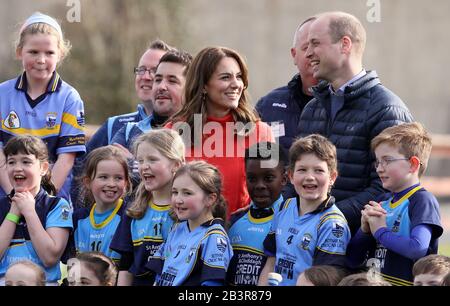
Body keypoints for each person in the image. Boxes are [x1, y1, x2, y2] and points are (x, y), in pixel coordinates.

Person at [298, 11, 414, 234]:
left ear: (344, 44)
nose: (308, 53)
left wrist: (328, 219)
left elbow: (388, 188)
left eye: (315, 44)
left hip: (357, 253)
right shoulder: (312, 108)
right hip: (309, 240)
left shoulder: (386, 109)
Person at [168, 46, 274, 219]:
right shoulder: (175, 131)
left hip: (243, 236)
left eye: (239, 77)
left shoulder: (261, 132)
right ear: (203, 86)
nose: (236, 84)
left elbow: (273, 191)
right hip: (187, 234)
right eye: (225, 77)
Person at [0, 12, 86, 203]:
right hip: (6, 197)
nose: (41, 60)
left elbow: (66, 158)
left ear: (60, 55)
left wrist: (42, 200)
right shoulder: (2, 94)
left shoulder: (70, 98)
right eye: (33, 52)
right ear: (19, 52)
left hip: (51, 199)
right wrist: (12, 196)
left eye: (49, 53)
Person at [346, 122, 443, 286]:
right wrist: (364, 231)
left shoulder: (422, 200)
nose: (379, 168)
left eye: (387, 160)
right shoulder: (380, 202)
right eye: (377, 162)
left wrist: (380, 232)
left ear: (412, 164)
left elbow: (417, 249)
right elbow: (352, 259)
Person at [258, 134, 351, 286]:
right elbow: (271, 259)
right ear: (291, 176)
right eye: (302, 169)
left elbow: (325, 280)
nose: (309, 177)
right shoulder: (284, 207)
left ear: (332, 177)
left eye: (318, 171)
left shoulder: (332, 224)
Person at [110, 129, 185, 286]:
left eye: (152, 160)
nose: (144, 166)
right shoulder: (133, 211)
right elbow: (125, 265)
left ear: (176, 164)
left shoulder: (186, 211)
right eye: (140, 161)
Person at [0, 135, 72, 285]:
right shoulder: (2, 206)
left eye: (26, 162)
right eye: (11, 162)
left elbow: (49, 258)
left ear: (43, 168)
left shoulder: (57, 205)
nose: (17, 168)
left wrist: (29, 212)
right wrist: (13, 214)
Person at [147, 161, 232, 286]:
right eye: (175, 192)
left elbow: (212, 284)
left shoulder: (214, 237)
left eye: (187, 193)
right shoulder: (176, 230)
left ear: (210, 199)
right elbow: (159, 274)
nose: (178, 200)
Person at [86, 39, 172, 151]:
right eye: (141, 69)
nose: (145, 76)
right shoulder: (114, 125)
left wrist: (132, 163)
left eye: (155, 71)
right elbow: (80, 166)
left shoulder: (187, 126)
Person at [112, 50, 192, 163]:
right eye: (158, 80)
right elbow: (111, 172)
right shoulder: (129, 131)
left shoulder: (201, 134)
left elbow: (187, 177)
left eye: (172, 81)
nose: (161, 87)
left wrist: (132, 163)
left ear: (190, 89)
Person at [226, 142, 288, 286]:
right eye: (252, 179)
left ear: (284, 179)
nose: (259, 185)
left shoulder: (291, 221)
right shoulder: (234, 221)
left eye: (268, 178)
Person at [256, 16, 318, 154]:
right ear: (294, 55)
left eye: (318, 46)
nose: (312, 53)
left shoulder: (346, 103)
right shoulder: (267, 105)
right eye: (306, 47)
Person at [70, 146, 131, 263]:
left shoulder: (129, 216)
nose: (111, 184)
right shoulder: (78, 219)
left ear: (126, 183)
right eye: (103, 177)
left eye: (118, 178)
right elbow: (72, 263)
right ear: (88, 182)